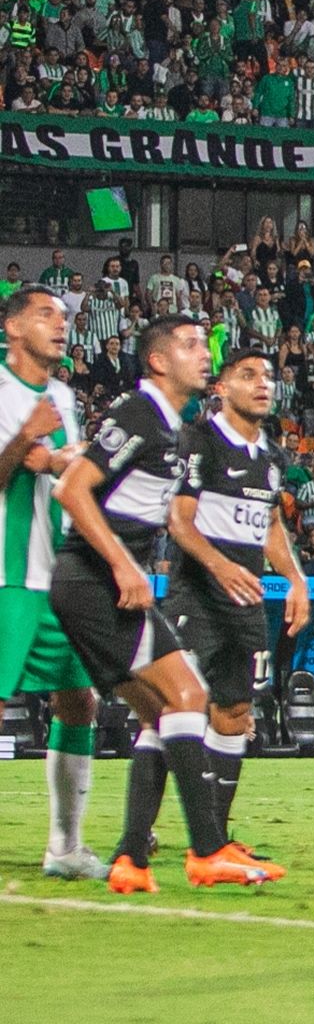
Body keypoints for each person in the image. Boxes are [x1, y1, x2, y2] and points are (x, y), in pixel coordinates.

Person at [50, 315, 279, 890]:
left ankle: (132, 858)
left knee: (162, 712)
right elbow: (71, 490)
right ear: (157, 360)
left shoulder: (168, 424)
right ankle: (208, 850)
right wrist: (126, 565)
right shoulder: (141, 412)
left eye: (205, 344)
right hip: (95, 582)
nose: (204, 354)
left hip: (91, 586)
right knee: (190, 694)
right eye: (189, 344)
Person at [112, 348, 313, 891]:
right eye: (248, 375)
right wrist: (221, 566)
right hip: (196, 596)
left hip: (244, 603)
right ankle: (133, 845)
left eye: (267, 376)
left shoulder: (270, 457)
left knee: (234, 712)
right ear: (220, 387)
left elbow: (270, 525)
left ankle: (215, 843)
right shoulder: (198, 441)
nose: (262, 384)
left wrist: (296, 580)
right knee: (171, 711)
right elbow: (179, 522)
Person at [0, 284, 110, 881]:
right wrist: (24, 442)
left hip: (57, 574)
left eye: (65, 318)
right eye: (46, 314)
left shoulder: (64, 395)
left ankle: (65, 847)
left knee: (79, 699)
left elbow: (62, 471)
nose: (61, 325)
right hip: (5, 576)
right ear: (14, 328)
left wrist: (72, 457)